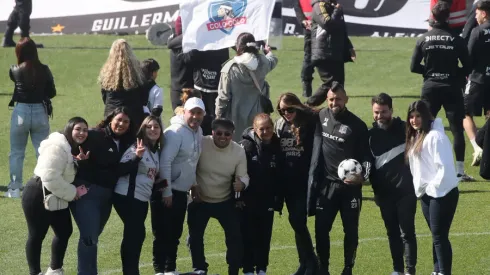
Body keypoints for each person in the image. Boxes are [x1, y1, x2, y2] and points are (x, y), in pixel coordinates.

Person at [307, 82, 371, 275]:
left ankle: (348, 268)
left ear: (346, 100)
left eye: (339, 99)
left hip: (350, 189)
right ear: (327, 99)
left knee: (350, 231)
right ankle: (323, 268)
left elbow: (367, 157)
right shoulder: (321, 116)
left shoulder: (357, 125)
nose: (335, 102)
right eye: (331, 99)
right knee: (320, 230)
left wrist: (363, 177)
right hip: (327, 186)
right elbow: (301, 107)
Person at [410, 1, 474, 181]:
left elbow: (413, 67)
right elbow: (468, 66)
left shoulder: (423, 39)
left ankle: (420, 167)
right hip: (452, 88)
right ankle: (460, 172)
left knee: (423, 127)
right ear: (448, 17)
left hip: (430, 87)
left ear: (432, 16)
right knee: (456, 130)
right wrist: (454, 75)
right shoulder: (456, 39)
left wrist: (430, 73)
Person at [70, 107, 135, 275]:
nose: (121, 124)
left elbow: (117, 170)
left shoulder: (128, 141)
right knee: (89, 237)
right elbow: (71, 144)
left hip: (107, 197)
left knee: (92, 237)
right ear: (110, 119)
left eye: (126, 121)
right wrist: (78, 162)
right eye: (118, 120)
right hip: (88, 193)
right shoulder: (95, 135)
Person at [22, 117, 89, 275]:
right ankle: (35, 272)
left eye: (85, 130)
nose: (82, 133)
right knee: (37, 234)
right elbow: (49, 177)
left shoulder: (69, 147)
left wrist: (77, 163)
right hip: (37, 193)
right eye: (78, 129)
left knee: (64, 230)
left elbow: (62, 170)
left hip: (56, 194)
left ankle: (55, 269)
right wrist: (72, 193)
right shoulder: (57, 146)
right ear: (69, 129)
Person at [187, 118, 248, 275]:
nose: (223, 137)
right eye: (218, 133)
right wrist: (193, 186)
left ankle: (233, 269)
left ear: (232, 135)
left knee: (235, 236)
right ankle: (200, 268)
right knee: (195, 237)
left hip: (225, 200)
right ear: (212, 132)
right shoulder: (202, 143)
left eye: (227, 134)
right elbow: (189, 165)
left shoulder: (238, 151)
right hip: (200, 199)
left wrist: (242, 184)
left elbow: (244, 175)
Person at [405, 100, 460, 275]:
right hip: (427, 194)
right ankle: (437, 270)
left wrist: (430, 189)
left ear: (426, 116)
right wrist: (423, 190)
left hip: (442, 193)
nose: (414, 120)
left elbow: (445, 168)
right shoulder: (417, 135)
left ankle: (443, 272)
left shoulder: (436, 137)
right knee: (437, 236)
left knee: (439, 236)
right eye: (411, 117)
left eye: (418, 116)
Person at [152, 97, 205, 275]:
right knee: (162, 232)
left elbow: (192, 161)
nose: (195, 117)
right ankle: (160, 269)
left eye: (199, 113)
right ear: (185, 112)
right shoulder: (174, 132)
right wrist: (167, 192)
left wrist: (194, 184)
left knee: (175, 232)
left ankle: (170, 269)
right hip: (167, 190)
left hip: (181, 190)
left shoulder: (198, 131)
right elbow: (165, 162)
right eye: (192, 112)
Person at [368, 93, 417, 275]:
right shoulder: (370, 135)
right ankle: (397, 270)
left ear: (391, 110)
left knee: (407, 233)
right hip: (383, 194)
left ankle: (410, 270)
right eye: (376, 112)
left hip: (406, 192)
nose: (379, 116)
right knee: (392, 233)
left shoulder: (405, 129)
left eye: (383, 112)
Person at [274, 93, 318, 275]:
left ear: (297, 107)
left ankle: (313, 264)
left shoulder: (308, 123)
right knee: (296, 223)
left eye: (290, 109)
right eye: (282, 110)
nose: (286, 113)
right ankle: (305, 264)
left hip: (303, 182)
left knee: (297, 220)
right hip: (286, 183)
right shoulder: (280, 124)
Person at [6, 37, 56, 198]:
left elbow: (17, 81)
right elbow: (52, 92)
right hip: (40, 112)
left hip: (20, 112)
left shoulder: (14, 69)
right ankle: (44, 185)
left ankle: (14, 188)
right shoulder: (44, 69)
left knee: (16, 152)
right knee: (42, 151)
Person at [113, 116, 163, 275]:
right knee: (135, 234)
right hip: (127, 196)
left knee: (136, 234)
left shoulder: (155, 151)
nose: (153, 129)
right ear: (143, 129)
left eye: (156, 126)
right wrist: (137, 157)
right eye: (149, 127)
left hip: (141, 199)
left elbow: (149, 177)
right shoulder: (137, 146)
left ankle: (131, 271)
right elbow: (119, 170)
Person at [238, 113, 283, 275]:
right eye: (261, 129)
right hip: (248, 201)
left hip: (268, 201)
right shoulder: (245, 146)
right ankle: (248, 269)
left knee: (264, 237)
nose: (265, 131)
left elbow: (280, 174)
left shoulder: (278, 145)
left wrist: (278, 199)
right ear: (254, 129)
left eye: (268, 128)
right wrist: (239, 198)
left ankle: (262, 269)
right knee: (248, 236)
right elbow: (237, 174)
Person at [216, 32, 278, 141]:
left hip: (235, 117)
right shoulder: (262, 61)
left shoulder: (228, 68)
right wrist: (269, 53)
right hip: (258, 116)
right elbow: (273, 61)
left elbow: (223, 97)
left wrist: (218, 117)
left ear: (238, 47)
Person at [307, 0, 356, 107]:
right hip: (324, 52)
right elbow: (327, 24)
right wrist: (337, 11)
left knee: (339, 87)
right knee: (330, 84)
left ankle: (337, 111)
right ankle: (306, 107)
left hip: (335, 53)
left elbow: (341, 30)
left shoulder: (333, 6)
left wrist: (349, 47)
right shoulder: (319, 6)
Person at [463, 0, 490, 166]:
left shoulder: (477, 31)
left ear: (484, 13)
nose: (476, 16)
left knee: (464, 113)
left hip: (477, 79)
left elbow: (468, 57)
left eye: (477, 13)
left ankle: (477, 146)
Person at [98, 39, 147, 131]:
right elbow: (144, 98)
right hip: (134, 116)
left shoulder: (107, 72)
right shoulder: (138, 73)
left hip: (111, 114)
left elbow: (105, 97)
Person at [182, 47, 229, 135]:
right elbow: (187, 59)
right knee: (201, 119)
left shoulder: (221, 42)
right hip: (201, 88)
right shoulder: (202, 40)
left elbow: (224, 60)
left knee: (215, 120)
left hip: (215, 88)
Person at [167, 16, 194, 110]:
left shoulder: (173, 44)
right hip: (186, 90)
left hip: (176, 89)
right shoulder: (183, 47)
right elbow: (190, 60)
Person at [292, 0, 315, 97]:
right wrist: (303, 20)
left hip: (325, 28)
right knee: (308, 58)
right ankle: (306, 86)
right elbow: (297, 7)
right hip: (309, 29)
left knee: (329, 59)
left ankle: (332, 87)